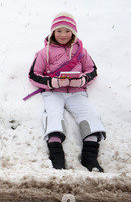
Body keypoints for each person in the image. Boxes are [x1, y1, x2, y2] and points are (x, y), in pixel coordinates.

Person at [28, 12, 106, 172]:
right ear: (52, 32)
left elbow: (92, 70)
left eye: (67, 31)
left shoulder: (81, 51)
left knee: (90, 116)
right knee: (53, 117)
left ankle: (89, 158)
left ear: (73, 33)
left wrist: (82, 80)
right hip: (53, 93)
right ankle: (57, 158)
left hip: (77, 92)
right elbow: (33, 75)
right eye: (59, 31)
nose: (63, 35)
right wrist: (52, 82)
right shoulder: (44, 52)